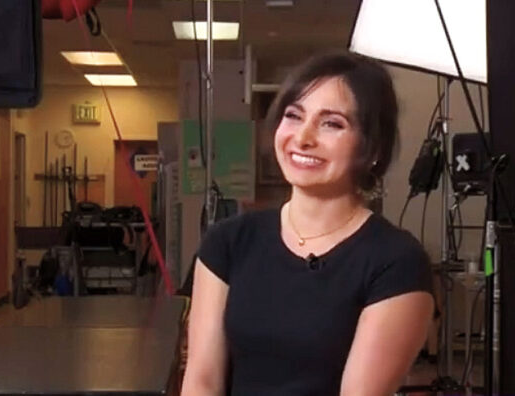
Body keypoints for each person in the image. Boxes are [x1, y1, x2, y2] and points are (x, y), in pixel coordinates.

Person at [181, 52, 435, 396]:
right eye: (293, 116)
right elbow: (201, 381)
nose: (302, 138)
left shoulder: (396, 261)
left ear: (373, 147)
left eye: (331, 123)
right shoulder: (227, 243)